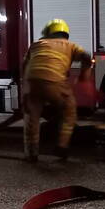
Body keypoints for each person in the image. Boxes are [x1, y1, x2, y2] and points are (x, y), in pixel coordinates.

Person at [22, 19, 92, 162]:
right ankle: (62, 146)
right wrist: (84, 77)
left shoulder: (36, 45)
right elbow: (86, 57)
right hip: (54, 82)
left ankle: (32, 153)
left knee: (32, 117)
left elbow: (24, 65)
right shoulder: (70, 46)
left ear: (48, 33)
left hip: (33, 82)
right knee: (69, 110)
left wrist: (25, 88)